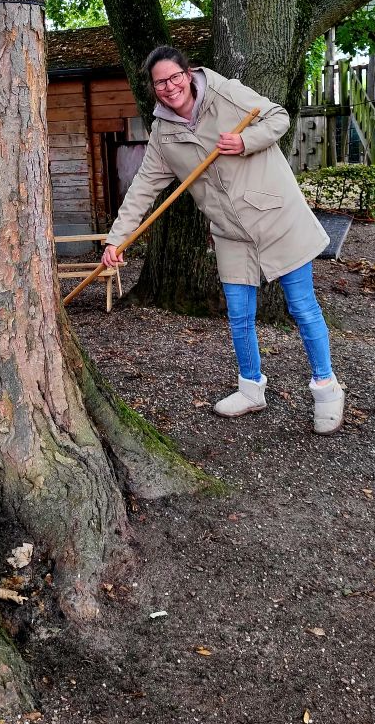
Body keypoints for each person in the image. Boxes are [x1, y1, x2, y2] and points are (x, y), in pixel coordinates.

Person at [102, 46, 345, 435]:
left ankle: (326, 389)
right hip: (230, 233)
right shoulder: (163, 135)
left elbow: (277, 117)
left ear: (188, 73)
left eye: (175, 77)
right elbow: (143, 188)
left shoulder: (226, 94)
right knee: (239, 315)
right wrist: (117, 240)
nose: (169, 87)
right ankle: (251, 390)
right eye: (160, 82)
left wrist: (246, 141)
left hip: (276, 217)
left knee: (302, 307)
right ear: (152, 88)